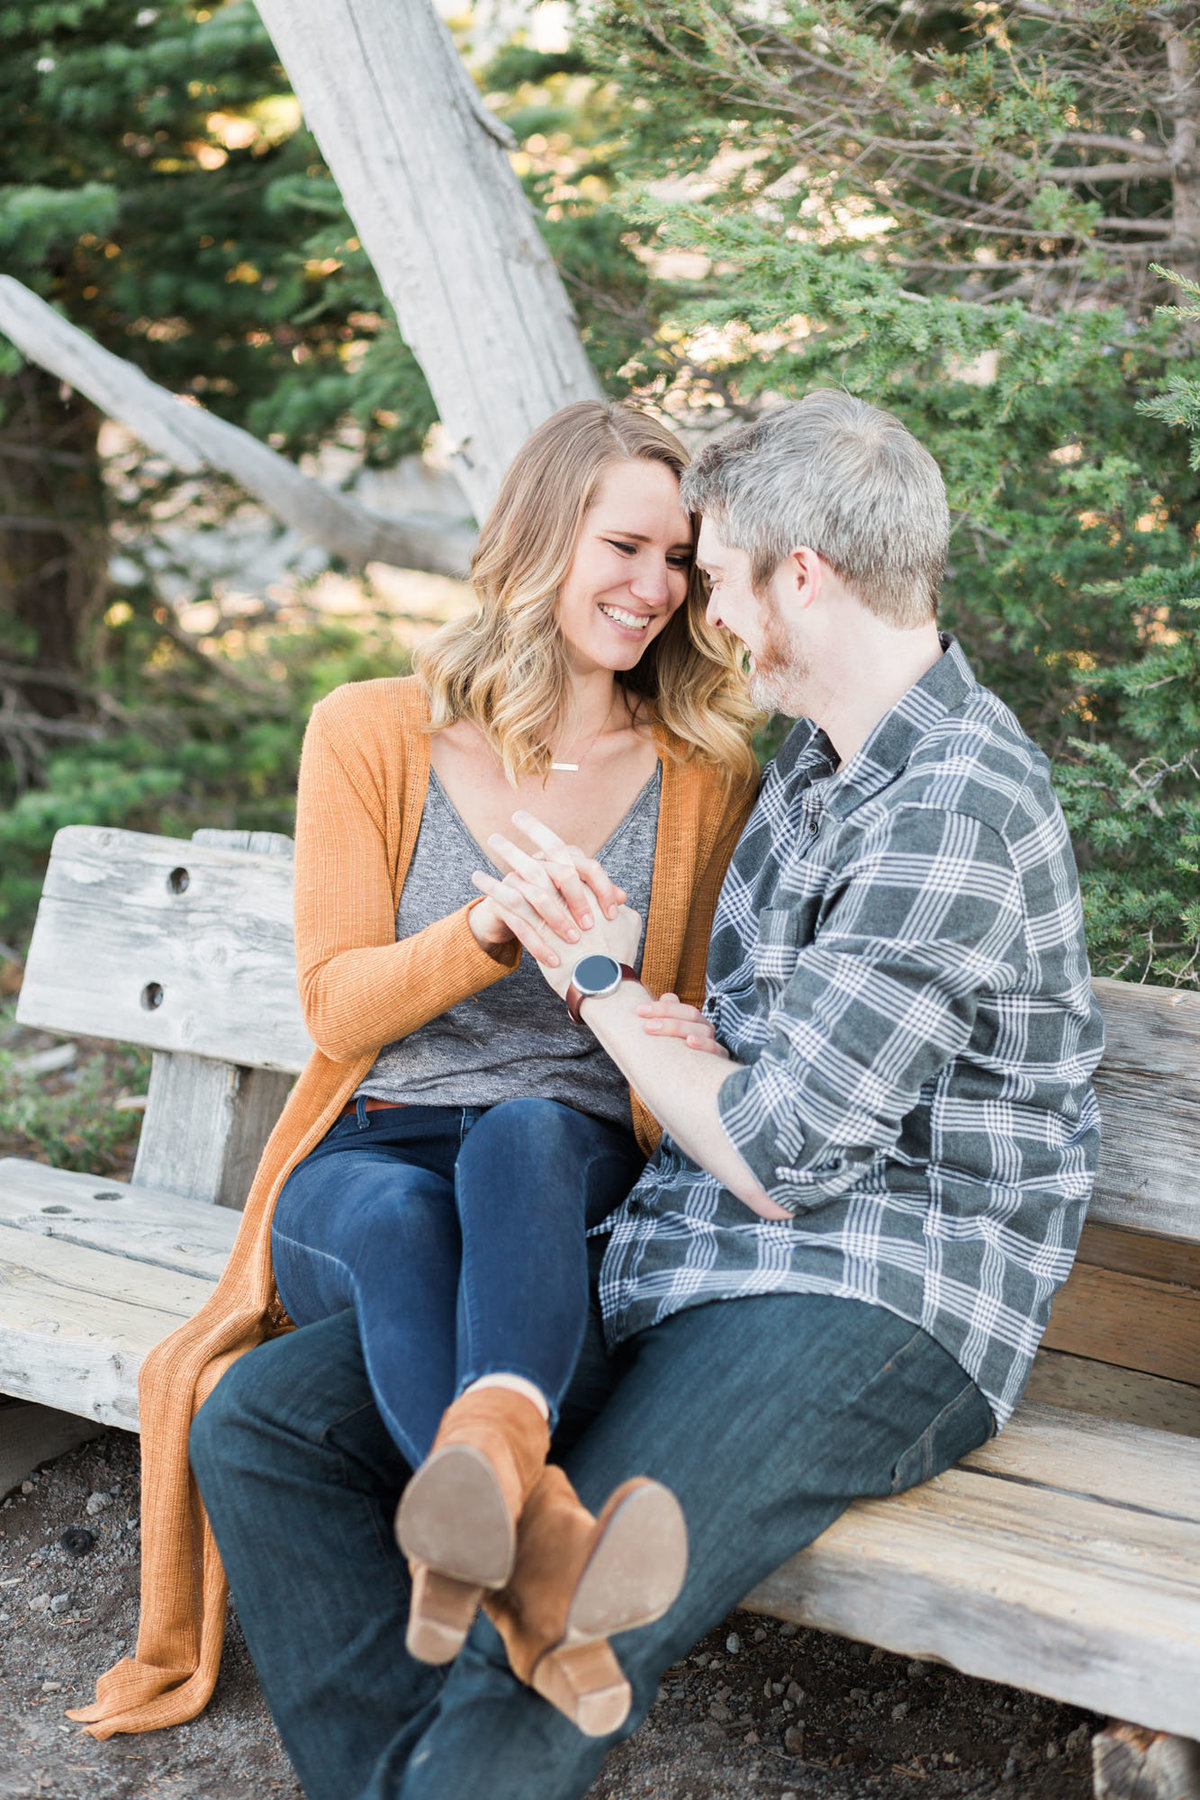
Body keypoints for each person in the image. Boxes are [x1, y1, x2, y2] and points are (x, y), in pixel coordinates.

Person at [142, 389, 1105, 1800]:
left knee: (563, 1597)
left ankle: (517, 1595)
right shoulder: (817, 777)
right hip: (686, 1242)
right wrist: (626, 1012)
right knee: (264, 1422)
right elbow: (710, 1051)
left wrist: (600, 991)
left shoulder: (947, 799)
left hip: (874, 1286)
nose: (689, 608)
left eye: (707, 573)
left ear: (802, 576)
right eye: (653, 560)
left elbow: (779, 1144)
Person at [66, 399, 759, 1744]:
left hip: (563, 1159)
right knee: (387, 1213)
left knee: (522, 1134)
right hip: (372, 1138)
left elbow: (692, 1025)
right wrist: (488, 929)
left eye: (679, 559)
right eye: (625, 545)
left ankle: (484, 1523)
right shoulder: (374, 730)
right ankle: (538, 1550)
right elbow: (336, 1009)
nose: (655, 587)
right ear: (541, 534)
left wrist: (613, 978)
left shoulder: (698, 772)